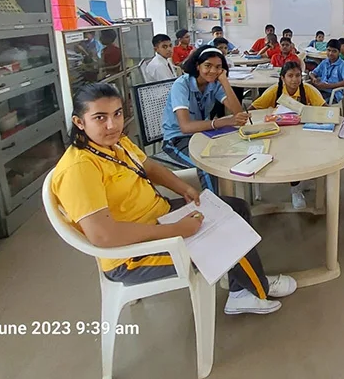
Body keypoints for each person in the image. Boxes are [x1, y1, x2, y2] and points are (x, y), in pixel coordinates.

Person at [52, 82, 295, 315]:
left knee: (236, 208)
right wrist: (176, 230)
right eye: (100, 118)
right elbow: (104, 236)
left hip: (161, 215)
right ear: (79, 122)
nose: (112, 124)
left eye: (117, 114)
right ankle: (257, 288)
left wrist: (183, 189)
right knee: (227, 235)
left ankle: (241, 292)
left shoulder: (118, 143)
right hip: (132, 255)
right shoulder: (78, 169)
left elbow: (149, 167)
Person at [161, 46, 250, 194]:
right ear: (198, 66)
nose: (213, 71)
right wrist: (222, 122)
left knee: (237, 148)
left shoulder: (213, 84)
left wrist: (224, 81)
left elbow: (238, 112)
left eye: (218, 67)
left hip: (202, 134)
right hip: (177, 139)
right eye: (208, 66)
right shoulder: (182, 85)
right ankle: (214, 205)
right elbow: (185, 127)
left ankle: (226, 197)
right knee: (206, 166)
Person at [250, 61, 327, 210]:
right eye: (290, 76)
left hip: (304, 134)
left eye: (298, 75)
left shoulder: (307, 90)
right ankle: (296, 187)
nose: (294, 79)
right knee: (288, 153)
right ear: (282, 78)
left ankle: (297, 187)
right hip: (279, 134)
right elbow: (253, 109)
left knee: (301, 153)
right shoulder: (275, 91)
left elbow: (325, 109)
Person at [310, 39, 344, 103]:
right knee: (307, 98)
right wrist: (314, 78)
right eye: (328, 50)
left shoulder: (342, 65)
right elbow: (312, 73)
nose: (330, 53)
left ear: (339, 52)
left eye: (334, 51)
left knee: (317, 102)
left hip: (333, 93)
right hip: (320, 90)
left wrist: (329, 86)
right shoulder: (324, 62)